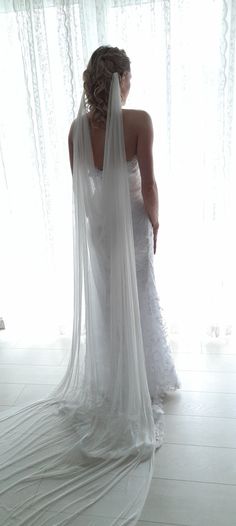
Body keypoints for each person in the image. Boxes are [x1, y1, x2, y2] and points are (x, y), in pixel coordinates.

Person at [0, 46, 180, 526]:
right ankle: (139, 380)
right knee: (138, 297)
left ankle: (114, 372)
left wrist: (98, 226)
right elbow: (152, 185)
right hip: (133, 225)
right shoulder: (139, 120)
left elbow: (81, 189)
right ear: (121, 78)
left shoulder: (76, 130)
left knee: (107, 303)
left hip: (101, 229)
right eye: (130, 76)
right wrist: (157, 223)